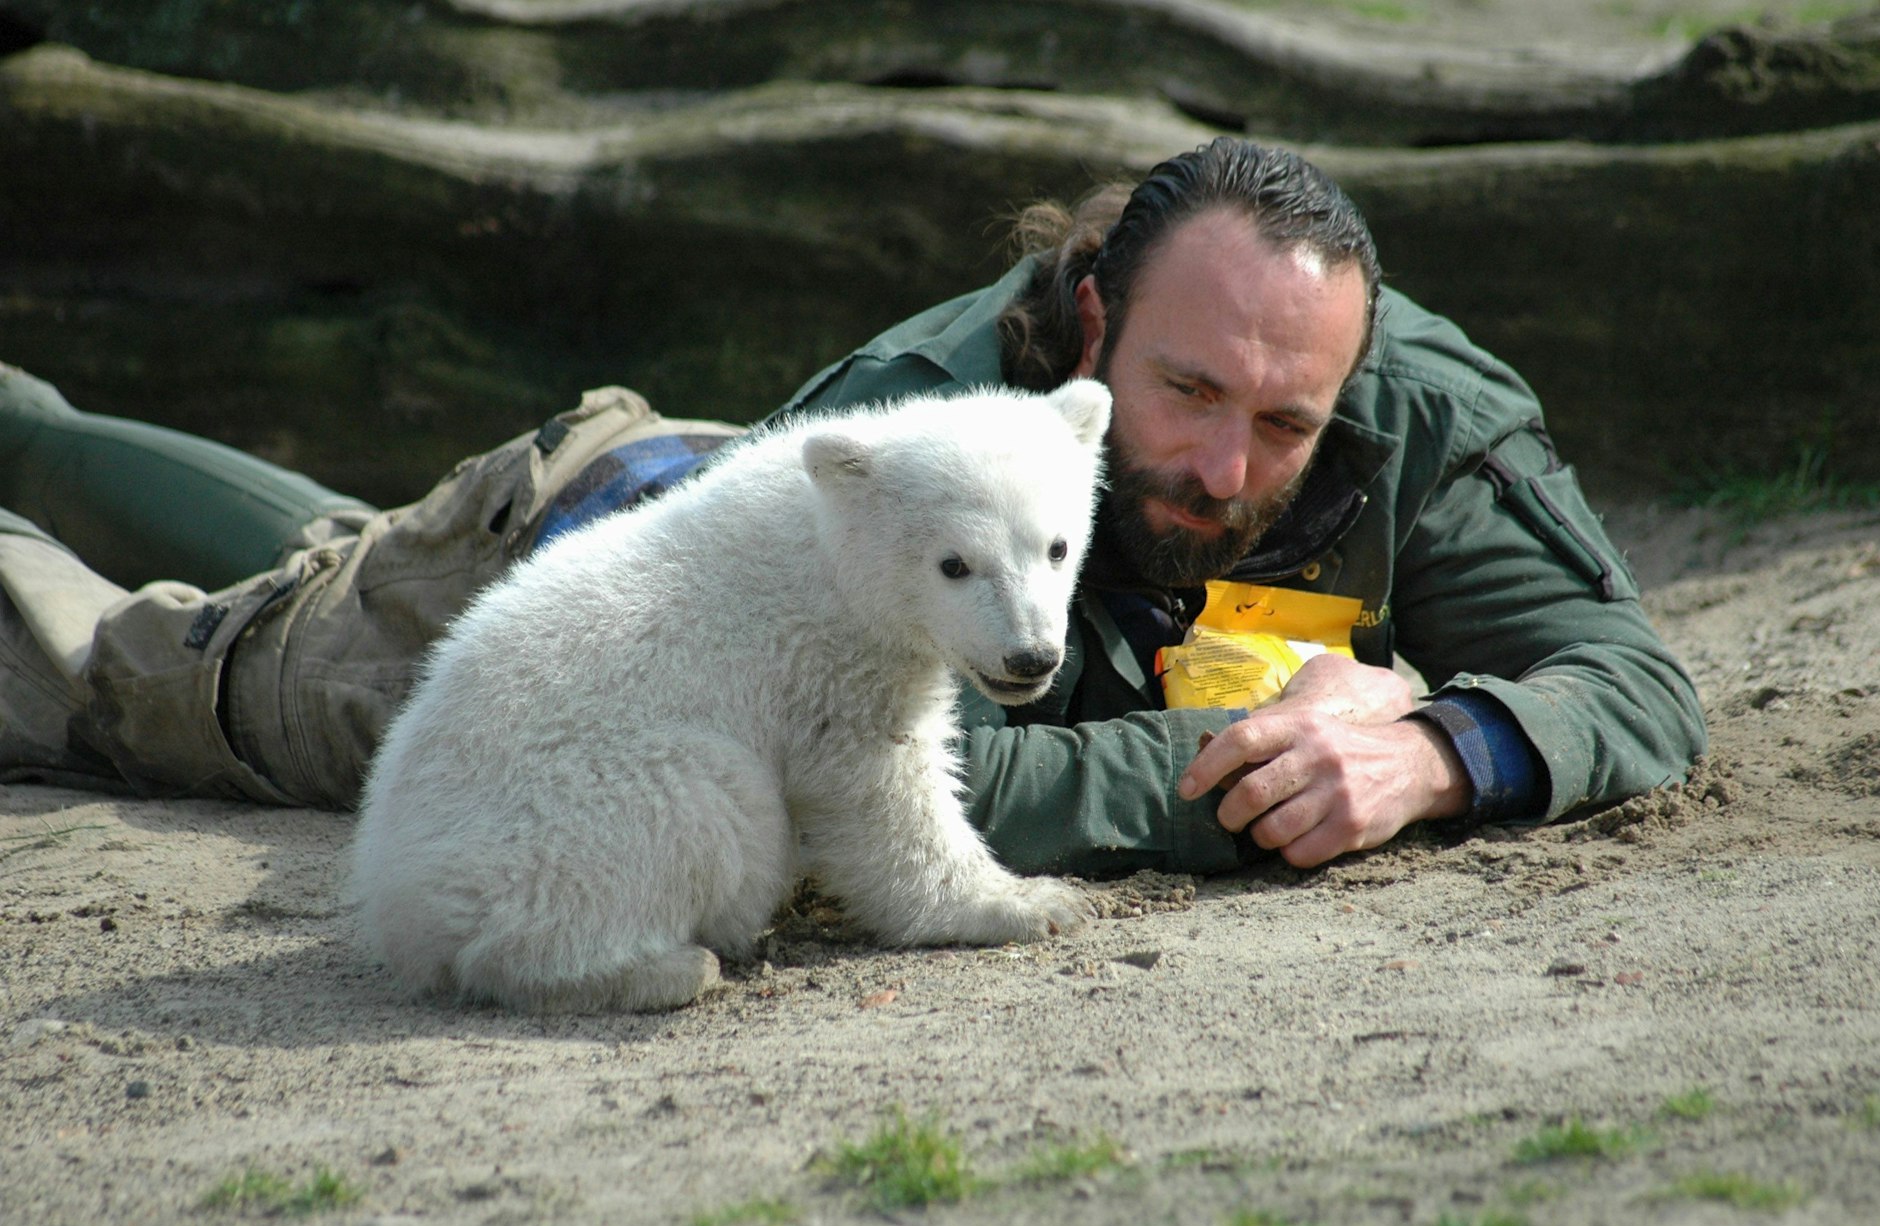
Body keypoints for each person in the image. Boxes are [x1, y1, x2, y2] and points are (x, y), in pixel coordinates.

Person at [0, 137, 1705, 876]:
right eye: (1187, 396)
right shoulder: (922, 416)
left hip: (687, 503)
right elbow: (877, 783)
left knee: (326, 541)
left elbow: (1630, 678)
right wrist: (1260, 774)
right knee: (150, 672)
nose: (1227, 467)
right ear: (1096, 322)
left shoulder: (1418, 412)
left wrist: (1439, 750)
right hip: (604, 612)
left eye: (1287, 420)